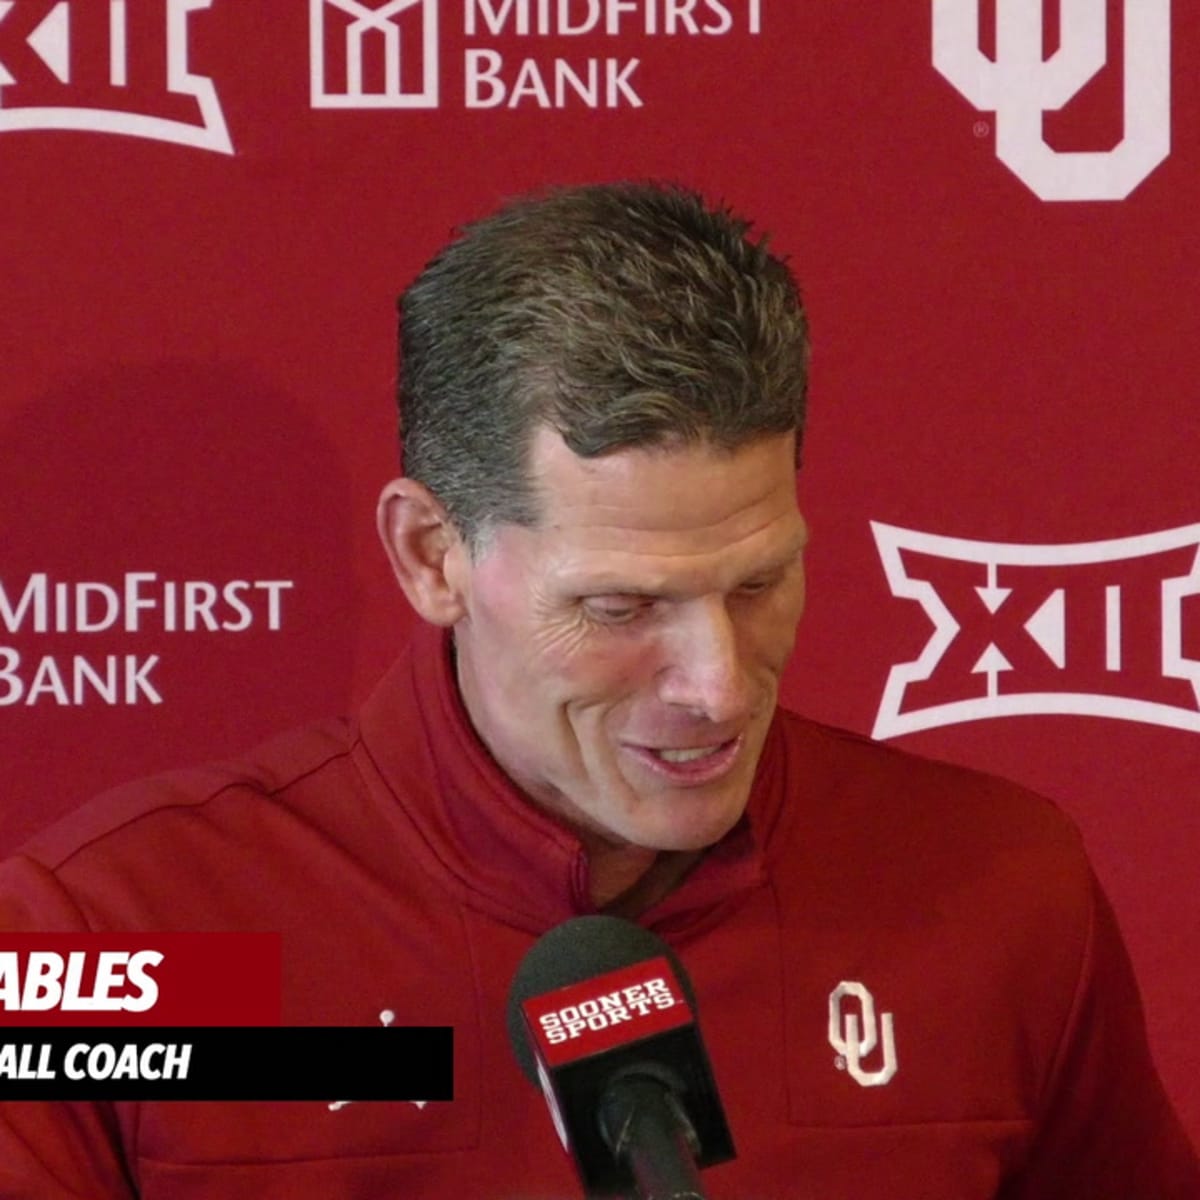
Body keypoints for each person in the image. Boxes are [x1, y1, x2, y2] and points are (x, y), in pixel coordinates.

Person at [0, 182, 1196, 1198]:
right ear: (432, 557)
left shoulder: (996, 890)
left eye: (759, 582)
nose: (718, 687)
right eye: (620, 609)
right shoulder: (117, 945)